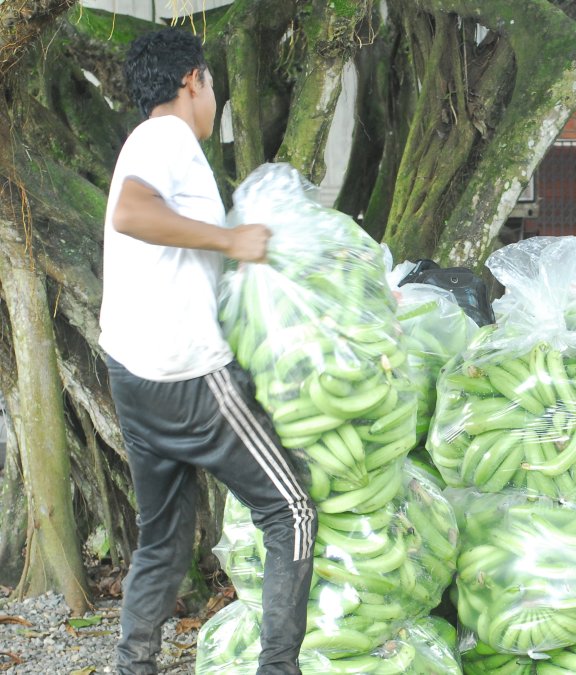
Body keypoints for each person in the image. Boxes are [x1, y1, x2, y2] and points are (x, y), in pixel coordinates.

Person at [100, 29, 315, 675]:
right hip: (187, 376)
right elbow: (133, 213)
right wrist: (229, 241)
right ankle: (279, 668)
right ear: (193, 80)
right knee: (290, 507)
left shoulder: (149, 142)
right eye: (212, 85)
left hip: (132, 373)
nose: (214, 98)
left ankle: (131, 664)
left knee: (162, 538)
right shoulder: (165, 138)